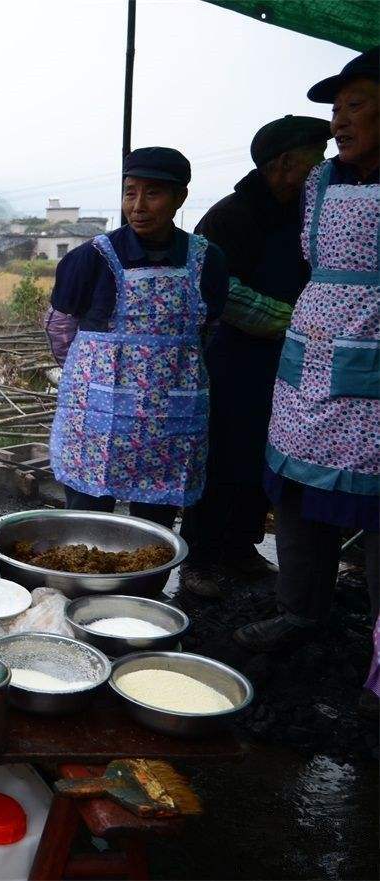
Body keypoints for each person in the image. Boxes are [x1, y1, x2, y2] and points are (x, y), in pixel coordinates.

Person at [235, 48, 380, 676]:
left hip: (372, 364)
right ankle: (300, 611)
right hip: (309, 362)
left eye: (356, 106)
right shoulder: (319, 185)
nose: (340, 121)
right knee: (295, 492)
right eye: (336, 109)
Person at [178, 116, 331, 599]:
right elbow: (218, 290)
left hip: (291, 361)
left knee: (266, 458)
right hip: (234, 357)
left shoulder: (307, 213)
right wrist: (295, 319)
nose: (320, 168)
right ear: (286, 164)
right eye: (314, 158)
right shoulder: (232, 215)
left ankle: (241, 548)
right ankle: (201, 557)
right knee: (223, 454)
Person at [44, 147, 229, 528]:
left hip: (171, 416)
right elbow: (61, 326)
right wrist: (87, 373)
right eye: (130, 192)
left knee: (155, 524)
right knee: (87, 516)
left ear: (181, 197)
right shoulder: (92, 258)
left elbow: (208, 329)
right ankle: (79, 587)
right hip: (97, 415)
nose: (138, 205)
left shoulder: (206, 260)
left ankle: (145, 585)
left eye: (153, 193)